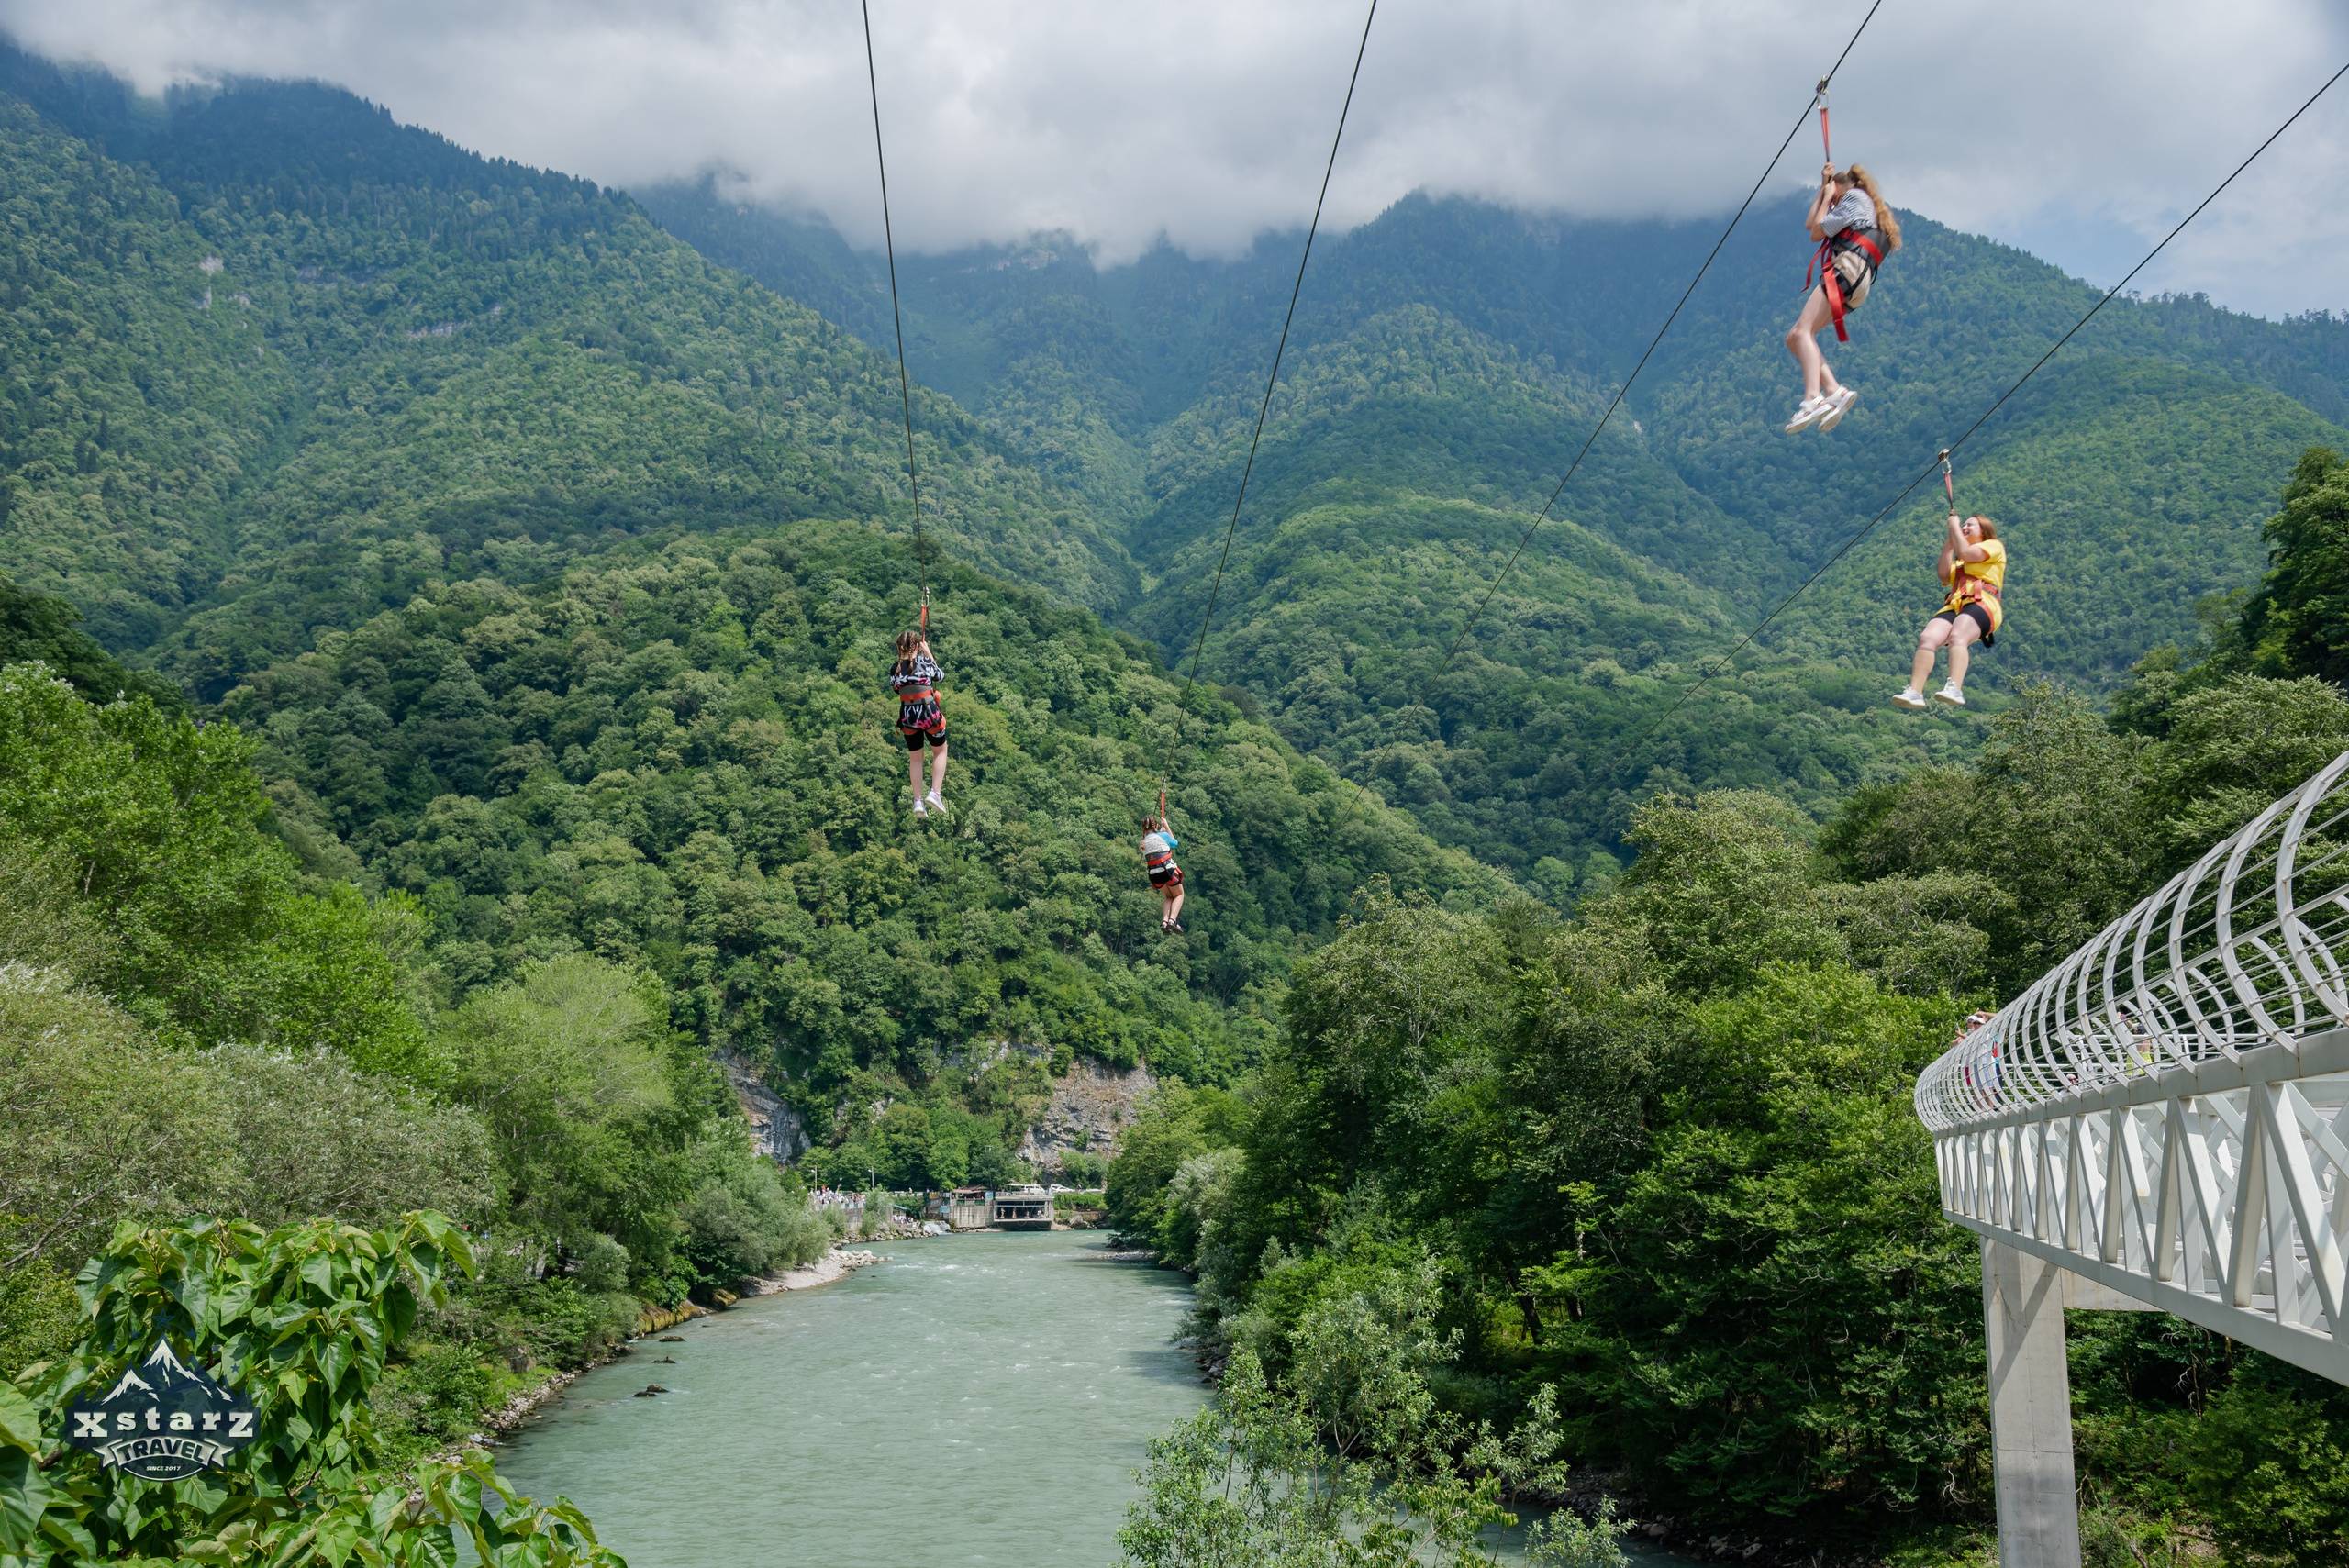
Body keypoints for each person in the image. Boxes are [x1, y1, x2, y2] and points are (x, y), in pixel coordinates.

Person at [1783, 162, 1901, 434]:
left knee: (1802, 332)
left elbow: (1815, 231)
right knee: (1795, 339)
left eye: (1833, 198)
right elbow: (1811, 223)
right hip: (1859, 282)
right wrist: (1823, 190)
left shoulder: (1853, 199)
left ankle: (1813, 398)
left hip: (1847, 268)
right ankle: (1834, 391)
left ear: (1840, 190)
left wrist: (1827, 196)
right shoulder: (1861, 203)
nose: (1832, 204)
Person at [1894, 511, 2005, 709]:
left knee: (1958, 634)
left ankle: (1955, 687)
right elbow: (1944, 574)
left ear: (1984, 532)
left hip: (1982, 602)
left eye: (1971, 526)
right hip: (1957, 603)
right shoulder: (1961, 563)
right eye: (1965, 525)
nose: (1965, 528)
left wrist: (1954, 526)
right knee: (1927, 638)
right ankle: (1915, 690)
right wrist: (1950, 541)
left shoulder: (1993, 547)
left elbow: (1966, 553)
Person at [890, 628, 949, 814]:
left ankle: (917, 801)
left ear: (900, 647)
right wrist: (928, 654)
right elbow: (939, 676)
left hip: (908, 717)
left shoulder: (895, 669)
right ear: (917, 647)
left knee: (916, 758)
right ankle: (935, 793)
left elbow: (897, 689)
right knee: (940, 751)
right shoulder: (925, 662)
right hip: (928, 713)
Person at [1141, 815, 1184, 932]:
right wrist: (1167, 826)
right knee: (1179, 895)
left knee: (1169, 896)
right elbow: (1174, 843)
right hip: (1167, 871)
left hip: (1154, 876)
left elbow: (1155, 843)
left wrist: (1160, 832)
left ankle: (1165, 921)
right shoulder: (1163, 835)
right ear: (1157, 825)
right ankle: (1172, 920)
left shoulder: (1143, 843)